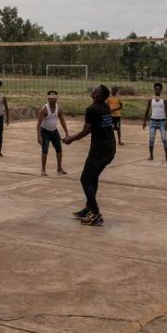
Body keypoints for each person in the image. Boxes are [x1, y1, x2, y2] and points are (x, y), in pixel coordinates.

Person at [63, 85, 116, 227]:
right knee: (93, 177)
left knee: (85, 178)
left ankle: (96, 214)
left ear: (100, 95)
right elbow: (92, 129)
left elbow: (85, 131)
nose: (93, 91)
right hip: (110, 149)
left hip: (99, 150)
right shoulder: (105, 107)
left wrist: (70, 139)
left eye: (96, 91)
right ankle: (89, 209)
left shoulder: (92, 109)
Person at [36, 90, 69, 176]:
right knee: (45, 150)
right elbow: (39, 123)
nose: (53, 99)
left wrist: (66, 132)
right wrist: (39, 136)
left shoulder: (59, 108)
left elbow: (62, 120)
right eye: (51, 97)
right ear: (48, 99)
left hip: (54, 131)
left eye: (54, 97)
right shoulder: (44, 109)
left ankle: (59, 168)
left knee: (59, 149)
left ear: (56, 98)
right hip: (45, 131)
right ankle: (43, 169)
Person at [142, 82, 167, 162]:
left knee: (164, 139)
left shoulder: (164, 99)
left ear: (161, 90)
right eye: (156, 88)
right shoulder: (151, 99)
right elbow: (147, 110)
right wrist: (144, 121)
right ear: (154, 89)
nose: (157, 90)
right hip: (153, 121)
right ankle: (151, 156)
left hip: (162, 121)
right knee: (151, 139)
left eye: (159, 89)